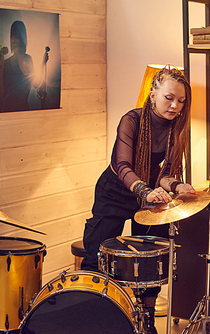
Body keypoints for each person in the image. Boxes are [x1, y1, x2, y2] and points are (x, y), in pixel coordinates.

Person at [80, 66, 195, 334]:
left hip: (148, 197)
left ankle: (146, 323)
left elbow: (165, 175)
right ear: (152, 94)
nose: (175, 105)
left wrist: (178, 185)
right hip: (115, 192)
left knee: (149, 260)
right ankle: (91, 318)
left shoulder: (178, 128)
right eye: (168, 97)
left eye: (180, 100)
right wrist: (145, 191)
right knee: (96, 255)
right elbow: (121, 165)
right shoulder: (131, 120)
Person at [0, 20, 48, 112]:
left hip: (23, 107)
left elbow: (36, 84)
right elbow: (1, 95)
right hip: (9, 108)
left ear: (22, 38)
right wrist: (1, 67)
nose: (13, 40)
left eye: (16, 36)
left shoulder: (28, 59)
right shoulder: (6, 62)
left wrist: (43, 64)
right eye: (12, 36)